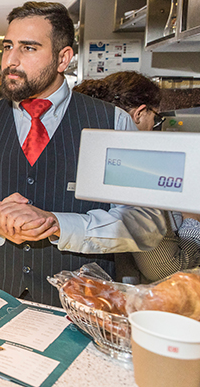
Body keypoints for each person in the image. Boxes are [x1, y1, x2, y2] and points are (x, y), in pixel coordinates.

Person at [0, 2, 165, 307]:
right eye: (8, 46)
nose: (11, 60)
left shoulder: (113, 124)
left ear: (63, 58)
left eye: (28, 48)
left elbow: (146, 224)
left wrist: (58, 224)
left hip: (80, 309)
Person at [74, 72, 200, 281]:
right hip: (130, 295)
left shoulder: (87, 154)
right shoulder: (138, 171)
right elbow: (163, 267)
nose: (155, 127)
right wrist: (192, 221)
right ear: (140, 113)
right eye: (156, 118)